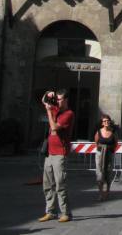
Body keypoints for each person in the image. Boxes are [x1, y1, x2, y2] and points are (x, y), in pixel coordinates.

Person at [38, 89, 75, 223]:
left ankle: (66, 212)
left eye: (60, 99)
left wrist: (48, 111)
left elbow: (54, 127)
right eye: (57, 99)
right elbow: (43, 101)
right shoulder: (55, 110)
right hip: (50, 152)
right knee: (47, 184)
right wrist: (48, 94)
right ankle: (51, 211)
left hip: (60, 153)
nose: (57, 102)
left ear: (66, 100)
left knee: (60, 184)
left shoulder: (68, 114)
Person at [94, 115, 117, 201]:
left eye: (107, 121)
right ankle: (100, 193)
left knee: (108, 173)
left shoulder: (113, 132)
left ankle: (107, 192)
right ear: (102, 123)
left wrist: (110, 150)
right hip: (100, 155)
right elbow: (96, 143)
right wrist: (102, 149)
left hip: (109, 154)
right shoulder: (98, 132)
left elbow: (116, 143)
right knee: (99, 174)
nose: (106, 122)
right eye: (104, 121)